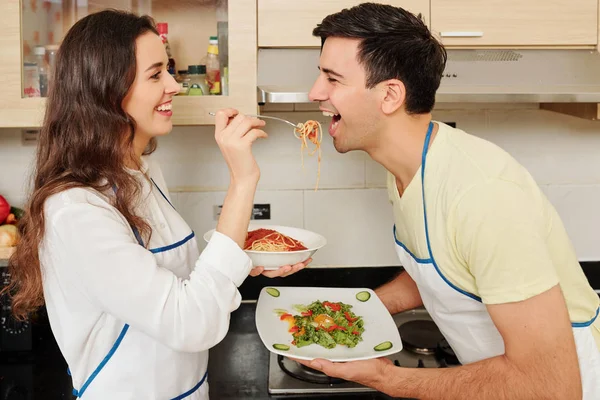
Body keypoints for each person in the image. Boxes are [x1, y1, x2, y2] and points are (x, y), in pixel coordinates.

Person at [294, 3, 600, 399]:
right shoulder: (411, 165)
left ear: (389, 95)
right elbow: (441, 269)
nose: (315, 92)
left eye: (332, 78)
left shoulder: (482, 197)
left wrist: (386, 379)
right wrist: (349, 312)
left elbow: (551, 386)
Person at [5, 10, 309, 400]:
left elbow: (172, 288)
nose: (175, 86)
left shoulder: (141, 172)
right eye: (155, 75)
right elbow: (191, 322)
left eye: (169, 70)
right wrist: (244, 178)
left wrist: (244, 263)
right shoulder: (75, 210)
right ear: (107, 90)